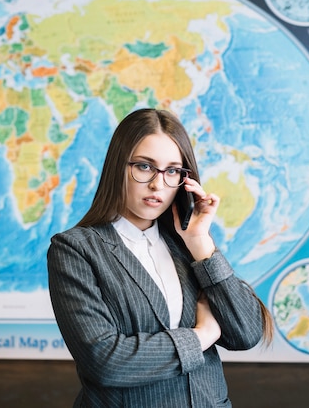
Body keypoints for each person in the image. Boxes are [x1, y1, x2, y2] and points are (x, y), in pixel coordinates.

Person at [47, 108, 273, 407]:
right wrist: (201, 337)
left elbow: (245, 333)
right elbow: (104, 361)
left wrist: (201, 243)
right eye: (144, 166)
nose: (157, 184)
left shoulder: (188, 245)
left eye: (172, 171)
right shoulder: (76, 250)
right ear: (118, 166)